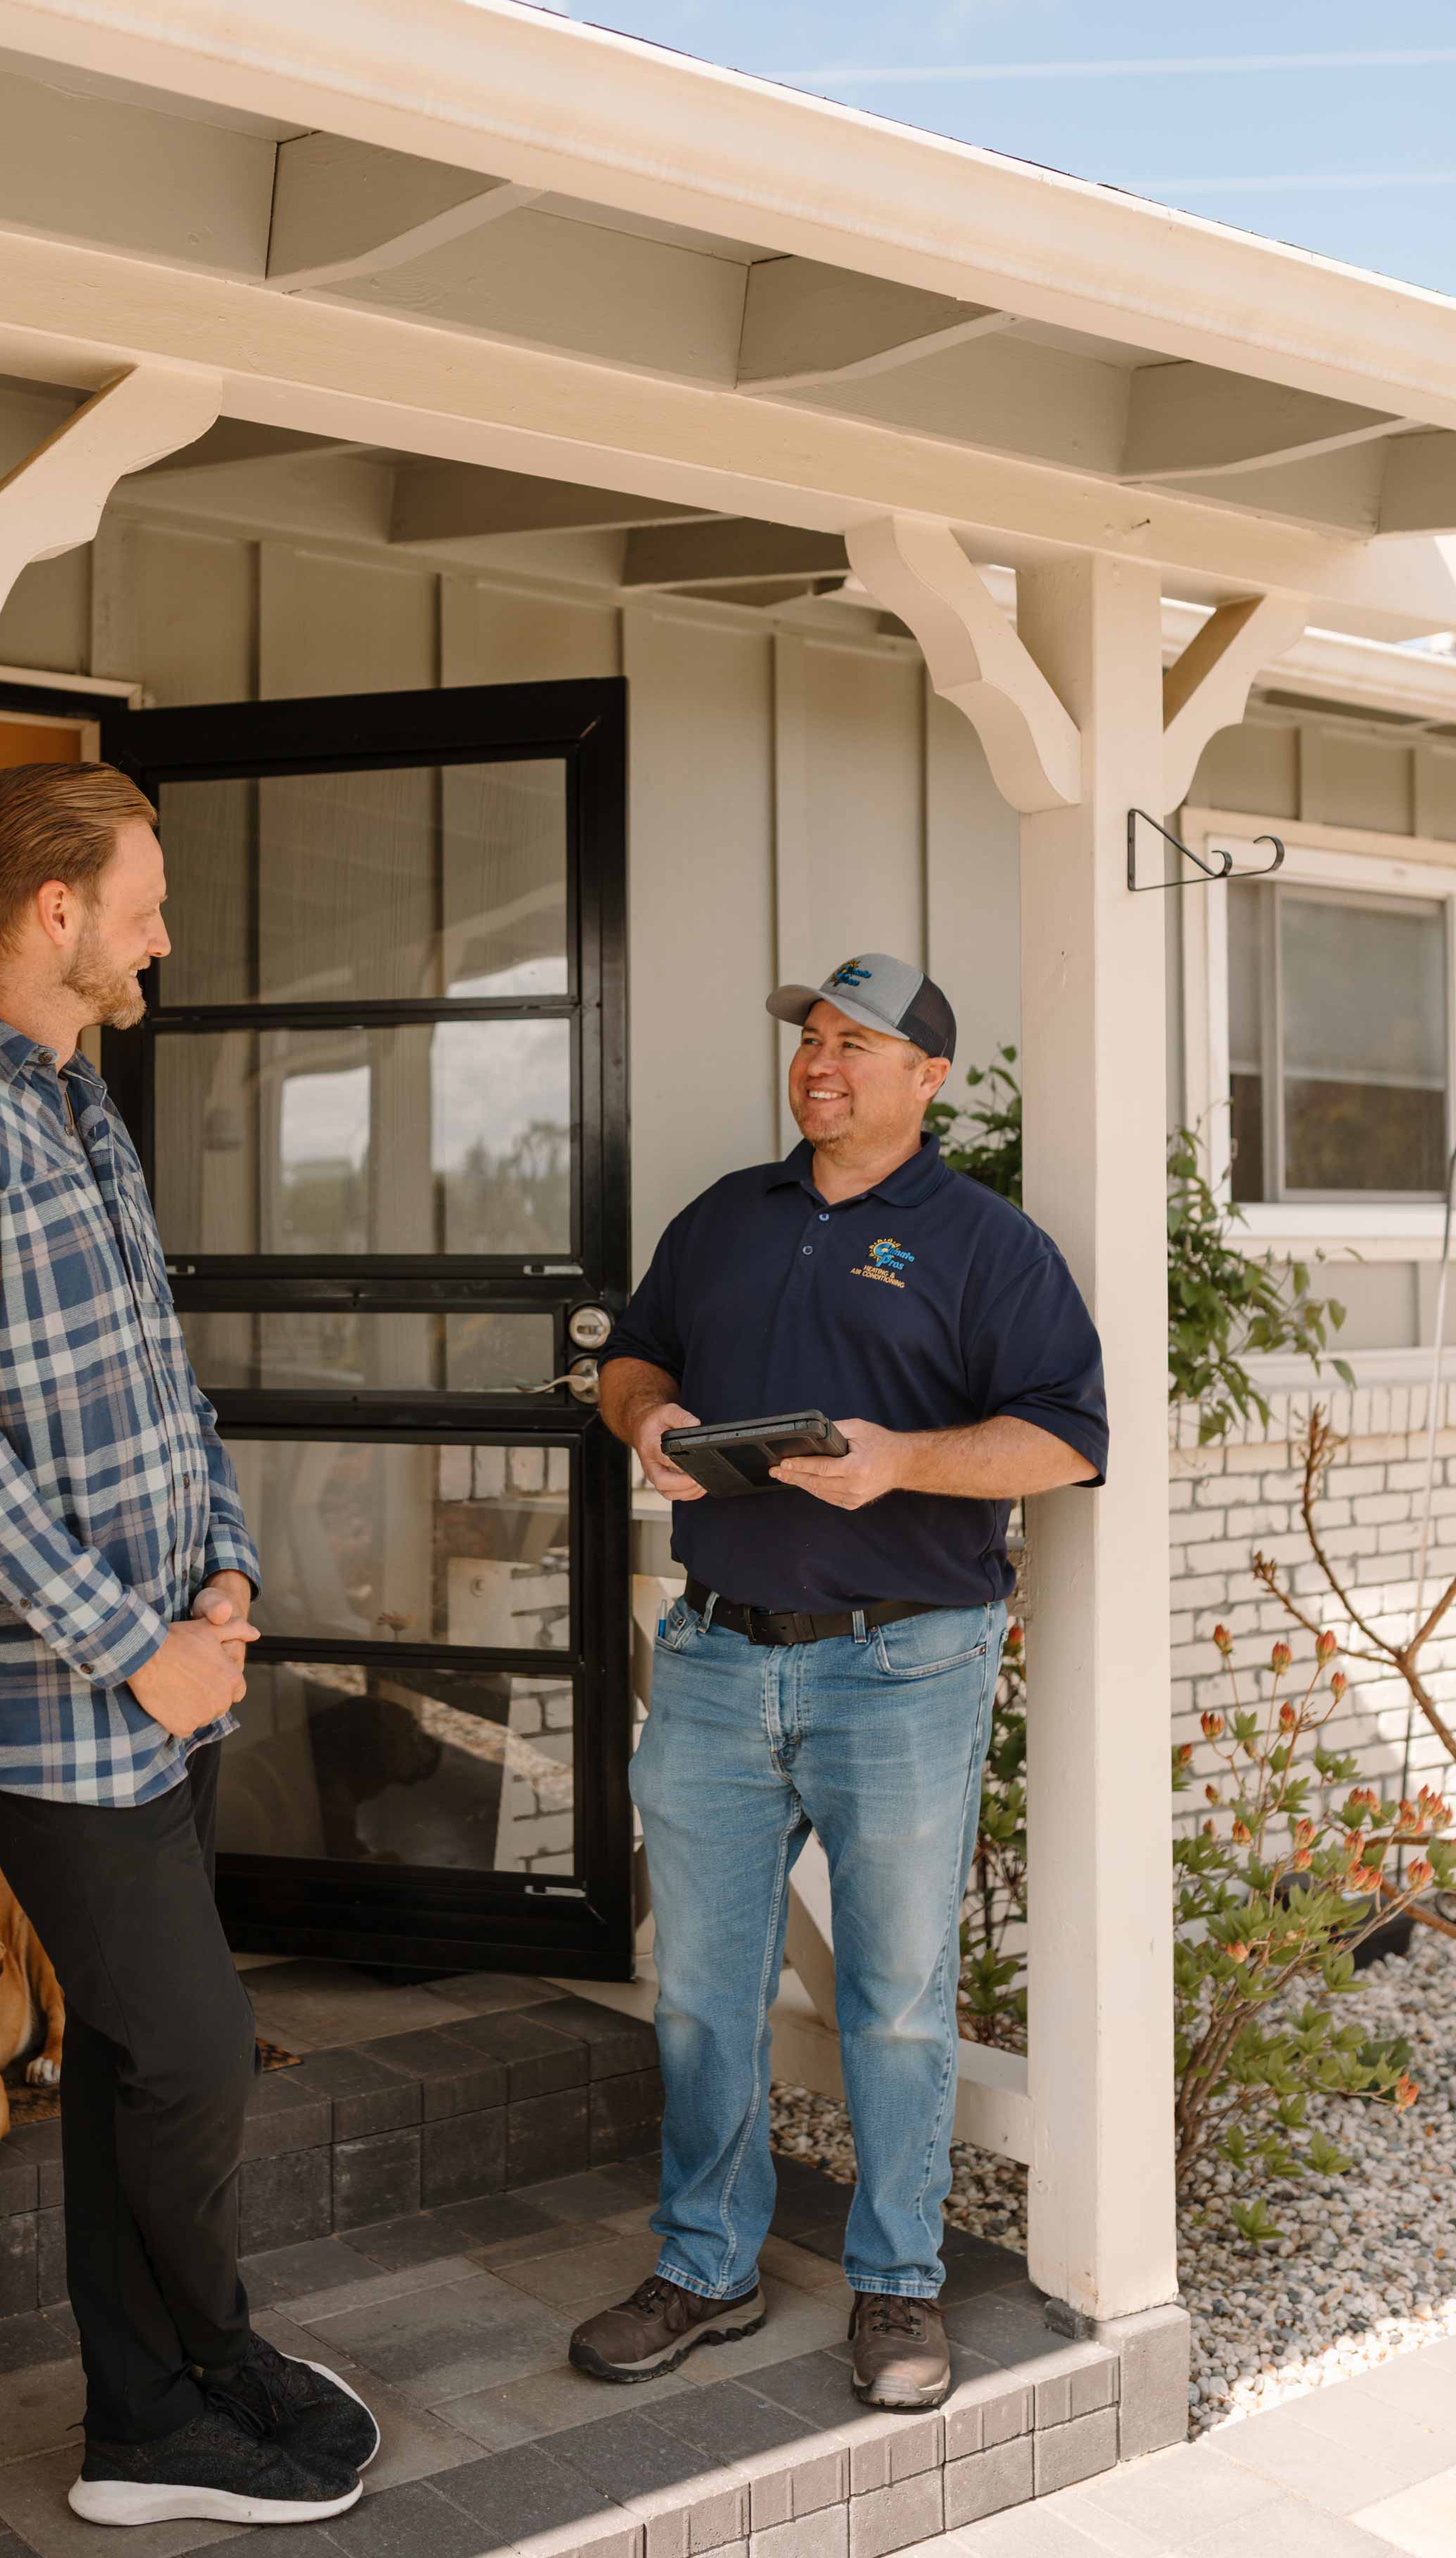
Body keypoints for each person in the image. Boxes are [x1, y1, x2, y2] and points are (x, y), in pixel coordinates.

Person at [0, 762, 378, 2530]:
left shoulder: (79, 1103)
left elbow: (157, 1377)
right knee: (187, 2053)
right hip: (54, 1703)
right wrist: (136, 1645)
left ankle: (148, 2419)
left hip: (165, 1675)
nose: (161, 937)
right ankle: (210, 2353)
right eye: (144, 905)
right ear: (56, 914)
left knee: (130, 2055)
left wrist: (226, 1582)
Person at [567, 953, 1107, 2410]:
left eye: (855, 1044)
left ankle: (895, 2287)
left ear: (925, 1079)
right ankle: (704, 2267)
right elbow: (629, 1357)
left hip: (904, 1661)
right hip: (713, 1655)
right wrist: (650, 1415)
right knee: (700, 1992)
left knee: (890, 2002)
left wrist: (902, 1462)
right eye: (809, 1039)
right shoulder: (723, 1219)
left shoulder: (988, 1245)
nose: (818, 1063)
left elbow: (1065, 1438)